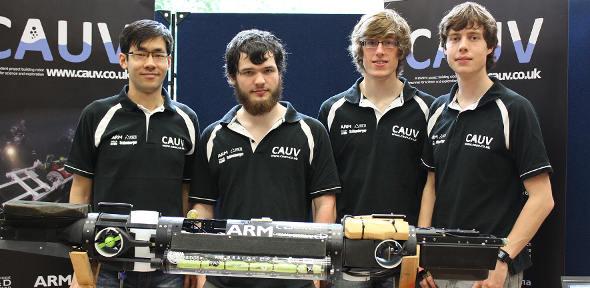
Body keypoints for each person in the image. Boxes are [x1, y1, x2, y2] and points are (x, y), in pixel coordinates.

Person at [418, 2, 554, 288]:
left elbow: (542, 198)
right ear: (445, 48)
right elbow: (431, 187)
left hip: (490, 271)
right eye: (454, 38)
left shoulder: (514, 109)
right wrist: (422, 254)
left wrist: (502, 259)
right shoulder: (438, 111)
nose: (463, 46)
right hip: (438, 267)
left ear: (490, 46)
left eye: (473, 37)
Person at [191, 29, 340, 288]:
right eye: (248, 72)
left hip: (294, 279)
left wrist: (317, 273)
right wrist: (203, 274)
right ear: (232, 77)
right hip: (226, 279)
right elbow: (203, 209)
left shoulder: (311, 131)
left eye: (268, 70)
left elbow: (324, 205)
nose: (260, 80)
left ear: (279, 73)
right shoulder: (214, 135)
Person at [65, 19, 200, 288]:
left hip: (167, 266)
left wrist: (187, 259)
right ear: (124, 60)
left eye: (158, 54)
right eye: (141, 54)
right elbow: (80, 192)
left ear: (168, 61)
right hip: (107, 263)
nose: (150, 63)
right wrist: (79, 261)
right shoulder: (97, 114)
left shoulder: (187, 119)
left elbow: (187, 195)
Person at [318, 9, 433, 287]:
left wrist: (424, 249)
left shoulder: (428, 109)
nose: (379, 52)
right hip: (347, 253)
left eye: (389, 43)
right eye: (371, 42)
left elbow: (433, 184)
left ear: (401, 50)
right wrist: (322, 254)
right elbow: (324, 192)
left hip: (405, 253)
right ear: (360, 49)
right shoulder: (333, 110)